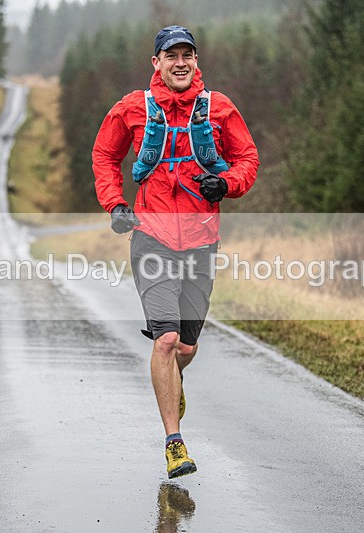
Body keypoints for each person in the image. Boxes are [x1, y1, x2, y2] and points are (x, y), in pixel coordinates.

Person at [92, 25, 259, 478]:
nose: (180, 62)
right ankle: (174, 443)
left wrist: (226, 183)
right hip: (152, 238)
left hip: (202, 241)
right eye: (171, 55)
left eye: (188, 54)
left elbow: (248, 160)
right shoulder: (132, 107)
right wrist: (116, 204)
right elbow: (105, 156)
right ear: (157, 63)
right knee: (164, 339)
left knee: (186, 346)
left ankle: (175, 378)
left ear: (195, 61)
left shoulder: (219, 108)